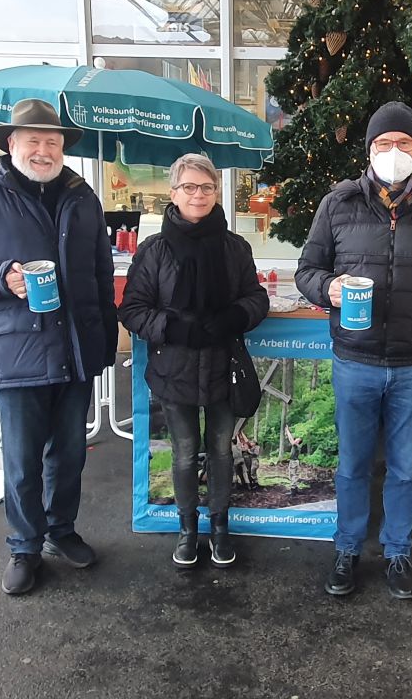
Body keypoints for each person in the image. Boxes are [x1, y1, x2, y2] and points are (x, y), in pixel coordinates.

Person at [0, 98, 118, 596]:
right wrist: (1, 277)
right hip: (16, 351)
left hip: (76, 350)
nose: (43, 150)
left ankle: (62, 530)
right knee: (22, 459)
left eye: (52, 142)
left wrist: (102, 342)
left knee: (70, 454)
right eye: (33, 140)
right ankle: (24, 547)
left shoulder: (82, 196)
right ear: (11, 144)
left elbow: (100, 272)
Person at [296, 101, 412, 600]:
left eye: (404, 144)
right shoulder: (338, 204)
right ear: (368, 151)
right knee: (352, 463)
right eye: (383, 144)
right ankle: (348, 548)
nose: (392, 153)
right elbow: (306, 269)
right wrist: (329, 288)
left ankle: (398, 550)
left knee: (404, 466)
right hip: (355, 360)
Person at [119, 153, 268, 569]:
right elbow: (132, 309)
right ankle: (188, 530)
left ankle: (220, 527)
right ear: (173, 193)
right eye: (189, 187)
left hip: (224, 368)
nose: (197, 195)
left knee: (220, 450)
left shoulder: (235, 247)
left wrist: (232, 317)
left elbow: (256, 298)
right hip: (174, 370)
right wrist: (175, 329)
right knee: (185, 452)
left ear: (216, 192)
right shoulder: (154, 251)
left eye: (206, 187)